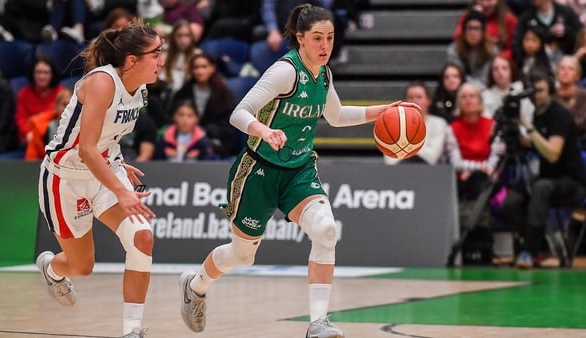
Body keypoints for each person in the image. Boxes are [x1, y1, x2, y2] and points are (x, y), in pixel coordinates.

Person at [177, 4, 419, 338]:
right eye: (317, 38)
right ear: (300, 39)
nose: (325, 46)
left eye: (330, 38)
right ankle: (196, 285)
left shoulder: (324, 73)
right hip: (259, 170)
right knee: (242, 256)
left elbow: (335, 117)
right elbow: (240, 112)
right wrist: (263, 131)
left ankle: (318, 322)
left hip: (299, 170)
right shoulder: (285, 72)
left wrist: (385, 110)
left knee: (326, 230)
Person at [35, 21, 161, 338]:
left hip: (105, 168)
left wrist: (118, 164)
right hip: (66, 178)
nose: (162, 59)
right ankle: (51, 268)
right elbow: (86, 149)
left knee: (142, 238)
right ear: (132, 60)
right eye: (156, 53)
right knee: (82, 267)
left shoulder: (140, 89)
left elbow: (107, 139)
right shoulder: (102, 83)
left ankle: (132, 330)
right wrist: (123, 191)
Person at [505, 70, 586, 269]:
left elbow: (553, 153)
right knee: (511, 201)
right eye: (532, 92)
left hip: (573, 182)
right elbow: (538, 144)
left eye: (540, 91)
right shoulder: (537, 114)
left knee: (540, 188)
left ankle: (528, 252)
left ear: (550, 90)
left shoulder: (560, 115)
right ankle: (542, 246)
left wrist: (527, 126)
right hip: (548, 180)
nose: (536, 96)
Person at [172, 52, 242, 158]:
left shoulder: (223, 93)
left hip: (215, 139)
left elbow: (228, 124)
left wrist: (205, 131)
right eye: (196, 67)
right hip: (185, 137)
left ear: (212, 68)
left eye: (204, 67)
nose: (200, 71)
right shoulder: (184, 92)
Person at [384, 81, 449, 165]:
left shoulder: (439, 124)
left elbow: (431, 157)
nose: (414, 101)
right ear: (404, 102)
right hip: (399, 172)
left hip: (429, 173)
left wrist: (404, 148)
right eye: (410, 97)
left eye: (419, 97)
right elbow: (390, 161)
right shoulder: (395, 126)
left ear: (428, 101)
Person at [15, 56, 66, 158]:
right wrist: (29, 134)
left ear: (52, 75)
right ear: (33, 74)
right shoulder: (24, 93)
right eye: (38, 72)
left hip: (54, 137)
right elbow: (21, 118)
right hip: (30, 138)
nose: (41, 76)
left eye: (46, 73)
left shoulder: (61, 92)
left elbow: (63, 118)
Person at [512, 0, 583, 58]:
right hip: (537, 66)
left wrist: (567, 31)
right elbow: (517, 44)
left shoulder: (566, 12)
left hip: (566, 61)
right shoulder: (526, 17)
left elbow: (580, 35)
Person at [447, 9, 498, 88]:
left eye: (477, 28)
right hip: (460, 91)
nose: (473, 33)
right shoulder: (453, 50)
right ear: (464, 31)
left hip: (485, 91)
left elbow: (485, 79)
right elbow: (459, 78)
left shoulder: (492, 50)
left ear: (483, 32)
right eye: (470, 28)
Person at [453, 0, 518, 59]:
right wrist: (475, 17)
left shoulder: (509, 19)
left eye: (489, 0)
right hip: (472, 60)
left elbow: (512, 50)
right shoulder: (467, 17)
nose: (485, 4)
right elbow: (458, 41)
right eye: (481, 0)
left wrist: (499, 57)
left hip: (498, 63)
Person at [481, 54, 534, 123]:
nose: (500, 72)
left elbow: (527, 120)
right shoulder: (486, 96)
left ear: (511, 70)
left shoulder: (521, 94)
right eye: (495, 69)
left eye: (504, 68)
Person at [25, 88, 72, 161]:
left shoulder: (83, 128)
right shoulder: (42, 130)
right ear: (56, 106)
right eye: (64, 104)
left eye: (70, 105)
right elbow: (31, 159)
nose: (67, 108)